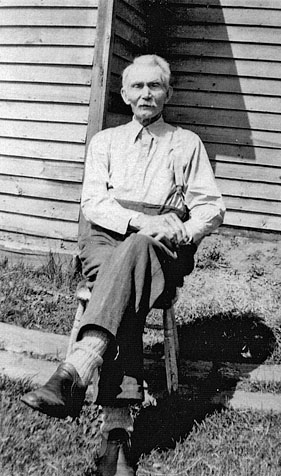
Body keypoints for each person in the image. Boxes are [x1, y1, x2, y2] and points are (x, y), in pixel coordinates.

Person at [21, 55, 225, 475]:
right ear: (124, 94)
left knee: (135, 257)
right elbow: (94, 203)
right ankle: (118, 437)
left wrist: (182, 232)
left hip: (162, 243)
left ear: (168, 93)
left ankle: (79, 369)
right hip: (105, 235)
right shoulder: (105, 142)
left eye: (155, 86)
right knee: (128, 279)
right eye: (138, 87)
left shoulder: (186, 143)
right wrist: (140, 222)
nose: (146, 94)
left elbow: (211, 207)